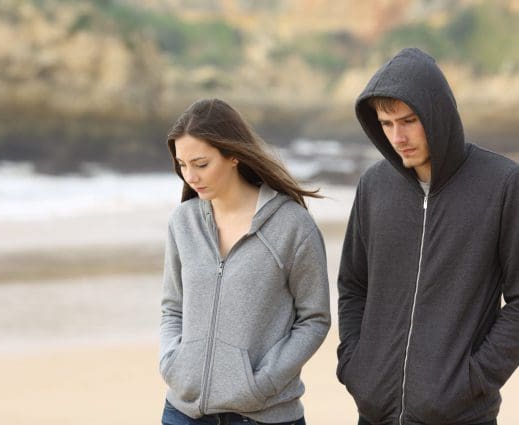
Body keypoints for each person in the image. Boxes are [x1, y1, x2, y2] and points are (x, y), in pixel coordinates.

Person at [337, 47, 519, 425]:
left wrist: (475, 379)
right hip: (374, 414)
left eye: (409, 120)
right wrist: (356, 365)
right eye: (386, 124)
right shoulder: (374, 185)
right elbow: (353, 285)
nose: (397, 137)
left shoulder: (501, 184)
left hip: (462, 415)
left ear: (438, 115)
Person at [159, 98, 331, 425]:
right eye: (182, 165)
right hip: (184, 412)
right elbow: (173, 307)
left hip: (263, 416)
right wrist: (172, 364)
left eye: (201, 163)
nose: (190, 176)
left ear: (233, 155)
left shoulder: (291, 226)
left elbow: (314, 318)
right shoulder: (183, 222)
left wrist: (261, 383)